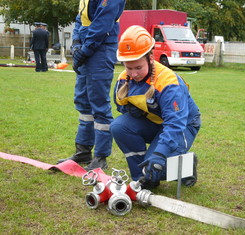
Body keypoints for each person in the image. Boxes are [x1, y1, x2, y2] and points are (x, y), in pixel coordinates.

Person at [110, 26, 201, 189]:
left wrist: (159, 154)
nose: (134, 73)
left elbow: (175, 124)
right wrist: (132, 111)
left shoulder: (168, 83)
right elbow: (120, 106)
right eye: (128, 68)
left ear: (151, 58)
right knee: (118, 127)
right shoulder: (124, 79)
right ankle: (143, 179)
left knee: (158, 162)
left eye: (138, 67)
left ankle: (186, 168)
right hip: (155, 123)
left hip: (183, 125)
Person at [57, 0, 126, 171]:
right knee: (83, 102)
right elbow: (80, 17)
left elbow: (102, 24)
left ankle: (101, 157)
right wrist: (76, 43)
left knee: (99, 103)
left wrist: (84, 49)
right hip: (88, 49)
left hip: (100, 51)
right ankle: (83, 150)